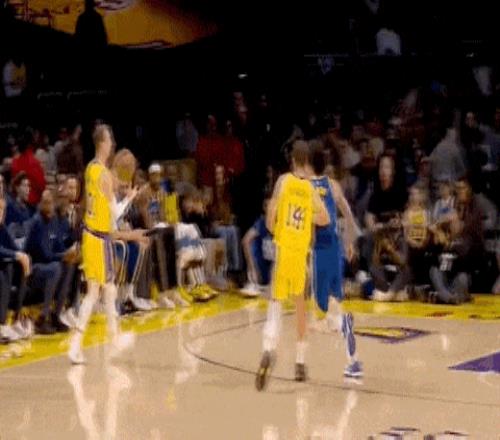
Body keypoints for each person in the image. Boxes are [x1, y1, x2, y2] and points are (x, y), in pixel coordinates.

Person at [255, 141, 329, 391]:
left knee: (275, 303)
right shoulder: (310, 189)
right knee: (300, 309)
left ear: (292, 160)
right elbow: (324, 218)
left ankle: (268, 348)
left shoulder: (283, 182)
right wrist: (307, 217)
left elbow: (269, 220)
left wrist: (278, 227)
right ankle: (299, 361)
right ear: (307, 162)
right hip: (300, 255)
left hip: (283, 250)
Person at [68, 124, 143, 364]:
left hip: (89, 235)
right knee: (100, 291)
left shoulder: (90, 168)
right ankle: (105, 339)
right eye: (110, 140)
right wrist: (129, 198)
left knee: (100, 291)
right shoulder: (104, 175)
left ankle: (86, 343)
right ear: (102, 142)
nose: (112, 144)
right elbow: (116, 214)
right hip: (99, 238)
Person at [309, 145, 362, 378]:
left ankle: (342, 324)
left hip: (319, 251)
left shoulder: (307, 187)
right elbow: (348, 214)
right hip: (335, 248)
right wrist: (350, 242)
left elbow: (311, 225)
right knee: (333, 303)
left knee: (319, 320)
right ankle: (353, 362)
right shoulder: (333, 185)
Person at [24, 190, 79, 334]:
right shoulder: (37, 222)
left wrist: (69, 253)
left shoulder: (54, 221)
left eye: (51, 203)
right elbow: (44, 254)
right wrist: (63, 256)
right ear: (40, 204)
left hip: (49, 266)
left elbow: (59, 246)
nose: (48, 206)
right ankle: (42, 318)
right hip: (33, 269)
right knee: (56, 267)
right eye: (46, 203)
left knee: (70, 264)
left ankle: (57, 314)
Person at [241, 194, 274, 297]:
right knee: (252, 244)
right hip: (262, 267)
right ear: (264, 208)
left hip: (277, 269)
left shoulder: (282, 224)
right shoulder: (261, 222)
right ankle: (254, 282)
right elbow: (245, 240)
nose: (270, 210)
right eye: (267, 206)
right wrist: (252, 267)